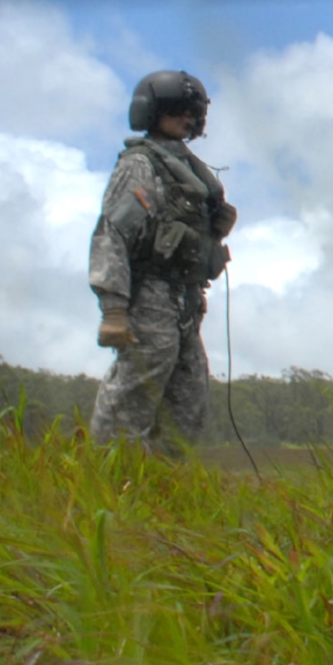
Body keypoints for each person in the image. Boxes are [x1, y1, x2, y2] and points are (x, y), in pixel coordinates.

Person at [89, 70, 238, 454]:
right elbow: (114, 233)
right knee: (133, 397)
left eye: (193, 112)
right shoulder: (141, 164)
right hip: (150, 296)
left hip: (187, 299)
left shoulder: (193, 170)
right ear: (152, 111)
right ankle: (108, 485)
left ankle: (159, 493)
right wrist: (114, 309)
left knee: (188, 406)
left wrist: (215, 229)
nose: (186, 119)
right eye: (176, 110)